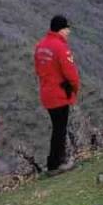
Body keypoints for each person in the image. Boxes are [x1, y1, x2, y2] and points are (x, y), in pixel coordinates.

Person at [34, 15, 80, 174]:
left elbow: (39, 70)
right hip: (59, 94)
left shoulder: (40, 46)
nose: (69, 31)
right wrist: (74, 88)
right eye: (67, 28)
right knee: (60, 129)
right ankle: (55, 164)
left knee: (57, 128)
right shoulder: (61, 47)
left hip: (46, 92)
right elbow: (71, 74)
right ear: (60, 29)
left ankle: (57, 161)